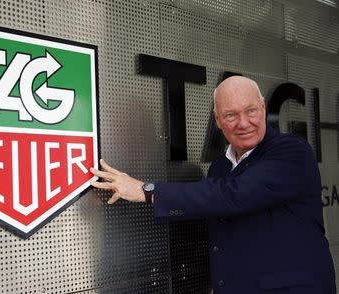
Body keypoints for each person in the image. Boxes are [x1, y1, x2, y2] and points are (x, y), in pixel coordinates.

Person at [90, 76, 336, 293]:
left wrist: (146, 191)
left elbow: (235, 196)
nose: (243, 123)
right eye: (231, 115)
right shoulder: (220, 166)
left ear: (263, 107)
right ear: (218, 120)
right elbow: (208, 212)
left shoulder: (292, 151)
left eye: (251, 110)